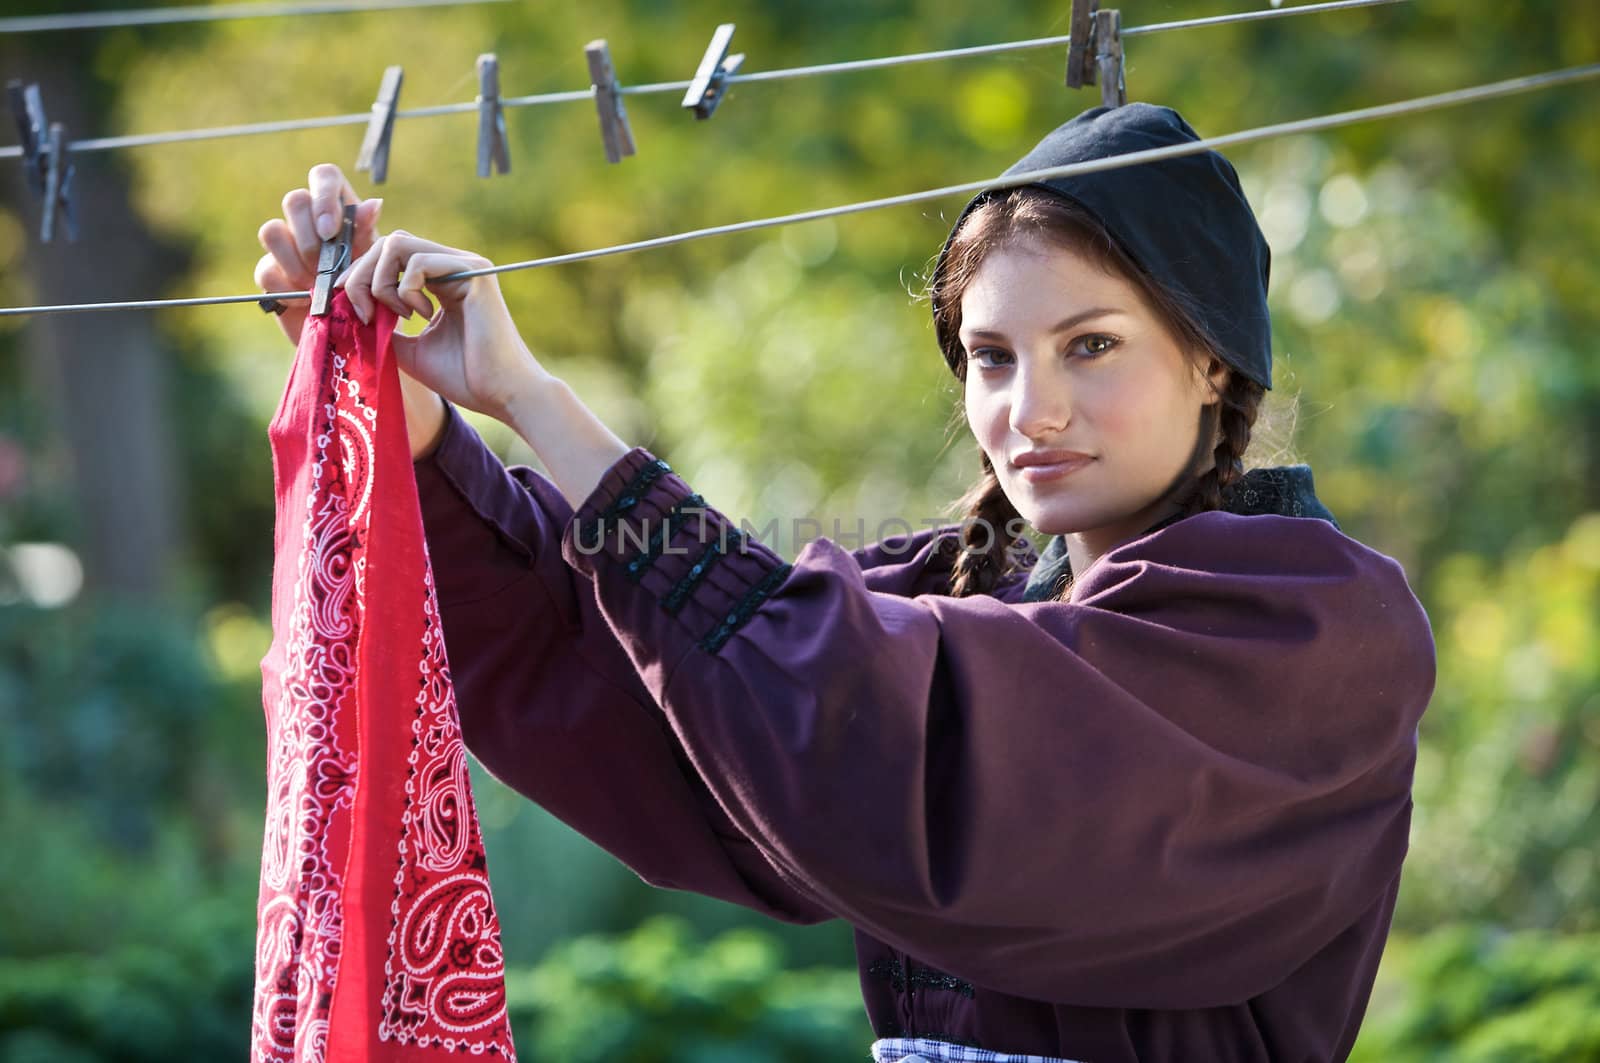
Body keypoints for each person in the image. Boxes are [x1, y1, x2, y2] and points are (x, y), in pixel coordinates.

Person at [255, 102, 1436, 1062]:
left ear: (1211, 360)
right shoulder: (959, 600)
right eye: (990, 357)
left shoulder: (1316, 625)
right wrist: (414, 434)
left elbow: (836, 720)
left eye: (1092, 344)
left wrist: (536, 401)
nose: (1032, 411)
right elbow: (638, 675)